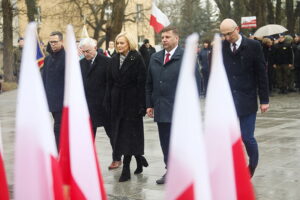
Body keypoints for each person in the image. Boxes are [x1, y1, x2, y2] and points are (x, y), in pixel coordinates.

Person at [220, 19, 269, 177]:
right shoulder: (222, 47)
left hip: (247, 99)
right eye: (224, 35)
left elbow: (261, 74)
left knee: (247, 137)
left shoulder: (253, 46)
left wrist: (264, 100)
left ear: (237, 29)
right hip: (229, 101)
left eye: (229, 33)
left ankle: (252, 164)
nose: (227, 38)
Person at [106, 32, 148, 182]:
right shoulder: (113, 59)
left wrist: (142, 105)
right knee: (119, 135)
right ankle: (139, 158)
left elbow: (142, 83)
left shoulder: (136, 58)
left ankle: (126, 168)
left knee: (130, 136)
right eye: (117, 43)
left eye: (122, 43)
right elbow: (109, 82)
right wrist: (108, 102)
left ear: (129, 43)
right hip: (117, 102)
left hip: (132, 102)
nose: (118, 46)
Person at [146, 26, 184, 184]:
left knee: (180, 141)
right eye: (162, 37)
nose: (164, 40)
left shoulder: (185, 57)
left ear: (177, 38)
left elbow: (195, 83)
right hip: (161, 108)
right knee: (165, 141)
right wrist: (150, 104)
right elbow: (148, 83)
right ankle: (170, 170)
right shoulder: (155, 57)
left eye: (167, 37)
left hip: (180, 109)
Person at [79, 38, 122, 170]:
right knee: (88, 136)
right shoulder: (80, 64)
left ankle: (117, 158)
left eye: (88, 51)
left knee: (113, 134)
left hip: (105, 105)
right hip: (88, 106)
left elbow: (114, 83)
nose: (86, 54)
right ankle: (88, 159)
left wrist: (111, 101)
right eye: (83, 51)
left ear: (95, 48)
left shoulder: (107, 62)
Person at [41, 31, 65, 150]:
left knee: (58, 127)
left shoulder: (68, 58)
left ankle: (58, 151)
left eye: (55, 42)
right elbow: (44, 79)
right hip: (52, 101)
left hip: (63, 101)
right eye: (51, 42)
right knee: (58, 126)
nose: (53, 44)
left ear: (62, 41)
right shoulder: (48, 59)